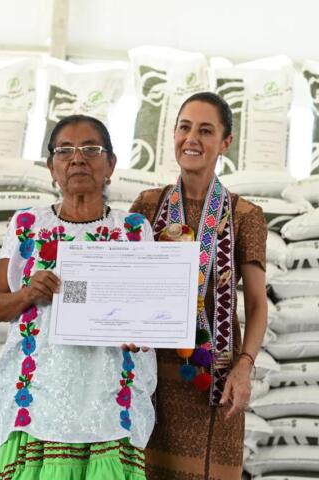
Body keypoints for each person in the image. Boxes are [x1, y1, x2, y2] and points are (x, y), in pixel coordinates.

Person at [0, 114, 157, 480]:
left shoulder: (132, 229)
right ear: (51, 167)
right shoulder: (27, 225)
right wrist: (29, 293)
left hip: (108, 396)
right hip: (40, 395)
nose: (77, 159)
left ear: (110, 165)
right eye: (65, 151)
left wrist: (140, 329)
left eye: (91, 149)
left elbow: (146, 314)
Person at [130, 92, 269, 480]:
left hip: (214, 378)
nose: (192, 139)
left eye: (206, 131)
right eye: (185, 127)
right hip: (151, 379)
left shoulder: (246, 216)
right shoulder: (146, 206)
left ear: (226, 142)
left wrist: (245, 367)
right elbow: (126, 284)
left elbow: (258, 304)